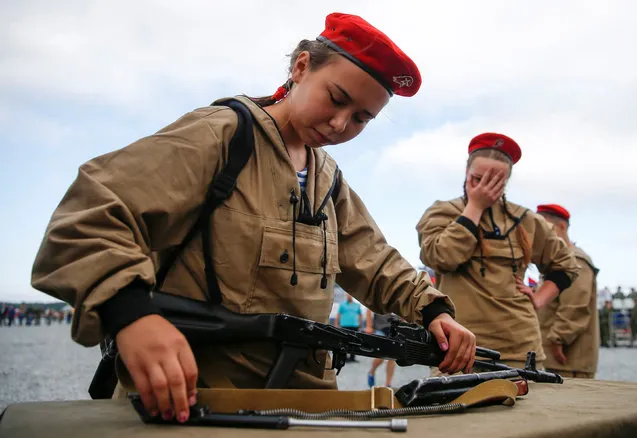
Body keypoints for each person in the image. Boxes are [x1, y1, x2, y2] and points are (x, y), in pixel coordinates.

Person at [31, 12, 476, 423]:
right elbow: (89, 213)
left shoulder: (327, 179)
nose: (341, 124)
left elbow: (374, 258)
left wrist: (432, 309)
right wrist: (130, 314)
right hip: (200, 405)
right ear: (302, 67)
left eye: (361, 118)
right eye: (336, 98)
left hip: (306, 409)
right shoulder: (224, 136)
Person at [416, 133, 579, 370]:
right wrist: (474, 207)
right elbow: (441, 257)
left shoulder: (526, 220)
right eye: (478, 179)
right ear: (466, 172)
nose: (485, 188)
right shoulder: (443, 212)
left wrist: (539, 298)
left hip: (520, 346)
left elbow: (566, 264)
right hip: (459, 348)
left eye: (496, 182)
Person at [532, 204, 599, 379]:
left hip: (569, 358)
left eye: (545, 227)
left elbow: (575, 306)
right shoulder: (557, 261)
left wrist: (558, 339)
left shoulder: (576, 261)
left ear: (561, 227)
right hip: (556, 356)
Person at [364, 310, 396, 387]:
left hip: (395, 329)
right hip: (380, 328)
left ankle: (388, 384)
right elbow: (369, 310)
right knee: (381, 356)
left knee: (393, 357)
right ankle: (372, 372)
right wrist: (369, 326)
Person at [334, 294, 362, 361]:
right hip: (345, 325)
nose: (349, 296)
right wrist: (336, 324)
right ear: (346, 296)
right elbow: (338, 315)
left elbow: (360, 315)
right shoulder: (342, 305)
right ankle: (344, 357)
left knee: (354, 342)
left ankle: (353, 357)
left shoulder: (357, 305)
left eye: (350, 295)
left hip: (355, 326)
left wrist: (360, 324)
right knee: (344, 341)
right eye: (348, 295)